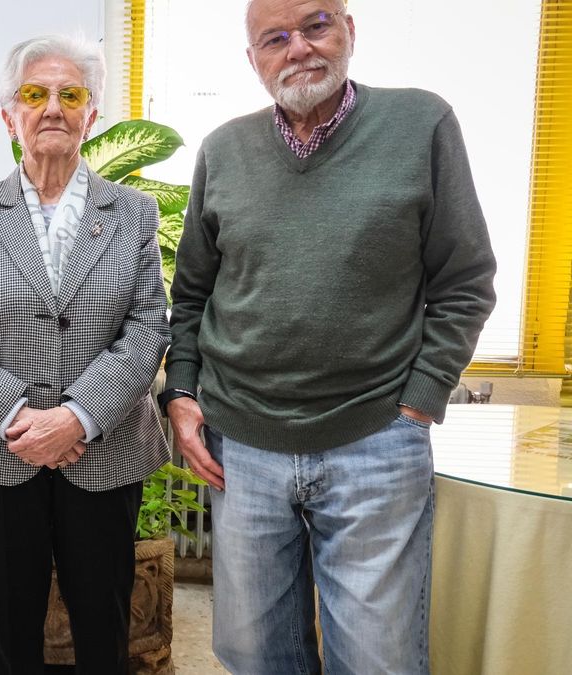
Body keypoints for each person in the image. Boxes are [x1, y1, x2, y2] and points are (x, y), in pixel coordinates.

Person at [158, 1, 498, 672]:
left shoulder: (421, 123)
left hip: (375, 439)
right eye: (274, 39)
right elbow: (193, 292)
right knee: (255, 655)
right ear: (253, 59)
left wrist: (419, 401)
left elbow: (466, 280)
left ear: (349, 30)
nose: (299, 49)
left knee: (378, 659)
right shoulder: (224, 150)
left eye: (316, 26)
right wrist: (182, 393)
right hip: (243, 448)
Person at [0, 35, 171, 674]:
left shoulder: (134, 213)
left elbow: (148, 331)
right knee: (8, 628)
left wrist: (76, 418)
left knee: (103, 625)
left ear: (91, 114)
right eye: (35, 94)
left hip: (106, 449)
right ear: (10, 114)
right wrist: (19, 421)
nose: (53, 108)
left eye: (71, 95)